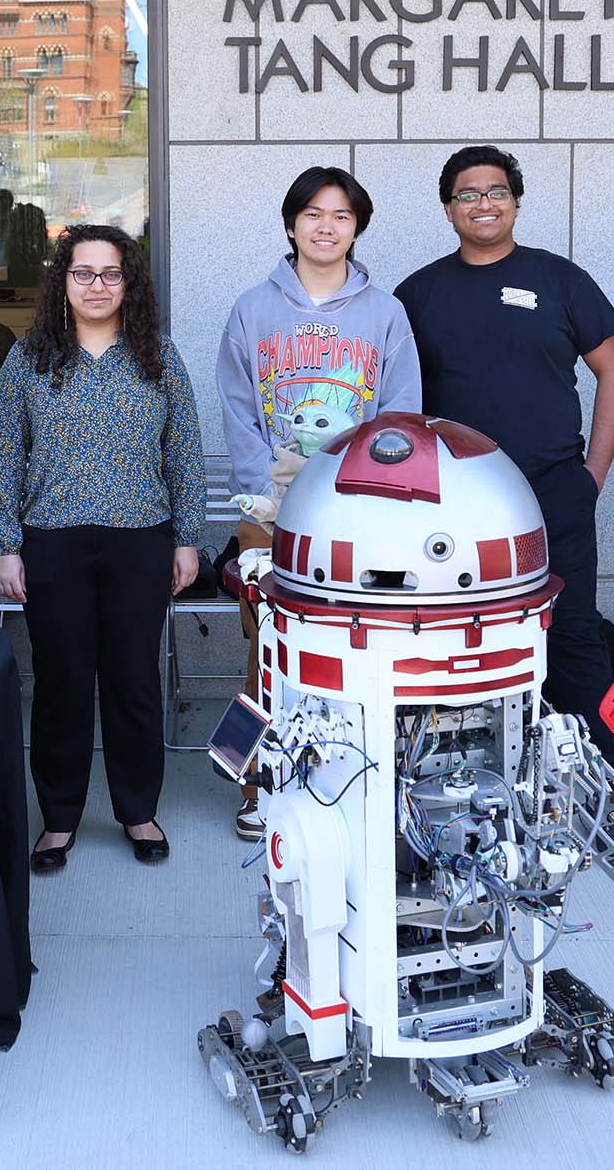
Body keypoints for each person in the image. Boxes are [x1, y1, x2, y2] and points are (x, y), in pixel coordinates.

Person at [395, 145, 614, 771]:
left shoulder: (560, 280)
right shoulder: (417, 294)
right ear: (448, 210)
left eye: (496, 191)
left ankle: (595, 771)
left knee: (572, 626)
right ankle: (471, 764)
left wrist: (594, 477)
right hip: (455, 503)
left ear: (516, 202)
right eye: (467, 194)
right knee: (458, 632)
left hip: (555, 488)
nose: (483, 204)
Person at [0, 224, 206, 872]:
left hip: (141, 541)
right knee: (60, 683)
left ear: (129, 283)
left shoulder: (157, 357)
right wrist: (2, 545)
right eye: (83, 272)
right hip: (53, 543)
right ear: (63, 281)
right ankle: (57, 819)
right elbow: (3, 457)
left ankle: (137, 809)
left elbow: (184, 453)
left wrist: (188, 537)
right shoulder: (29, 359)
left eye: (111, 273)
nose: (97, 285)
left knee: (133, 681)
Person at [217, 165, 422, 839]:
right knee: (267, 643)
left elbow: (400, 415)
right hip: (269, 503)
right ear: (291, 224)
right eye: (313, 213)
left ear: (356, 227)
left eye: (340, 215)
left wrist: (373, 496)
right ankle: (254, 779)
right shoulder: (253, 307)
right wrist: (258, 498)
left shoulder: (386, 314)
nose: (326, 226)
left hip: (354, 502)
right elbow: (239, 409)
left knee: (354, 643)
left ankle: (343, 775)